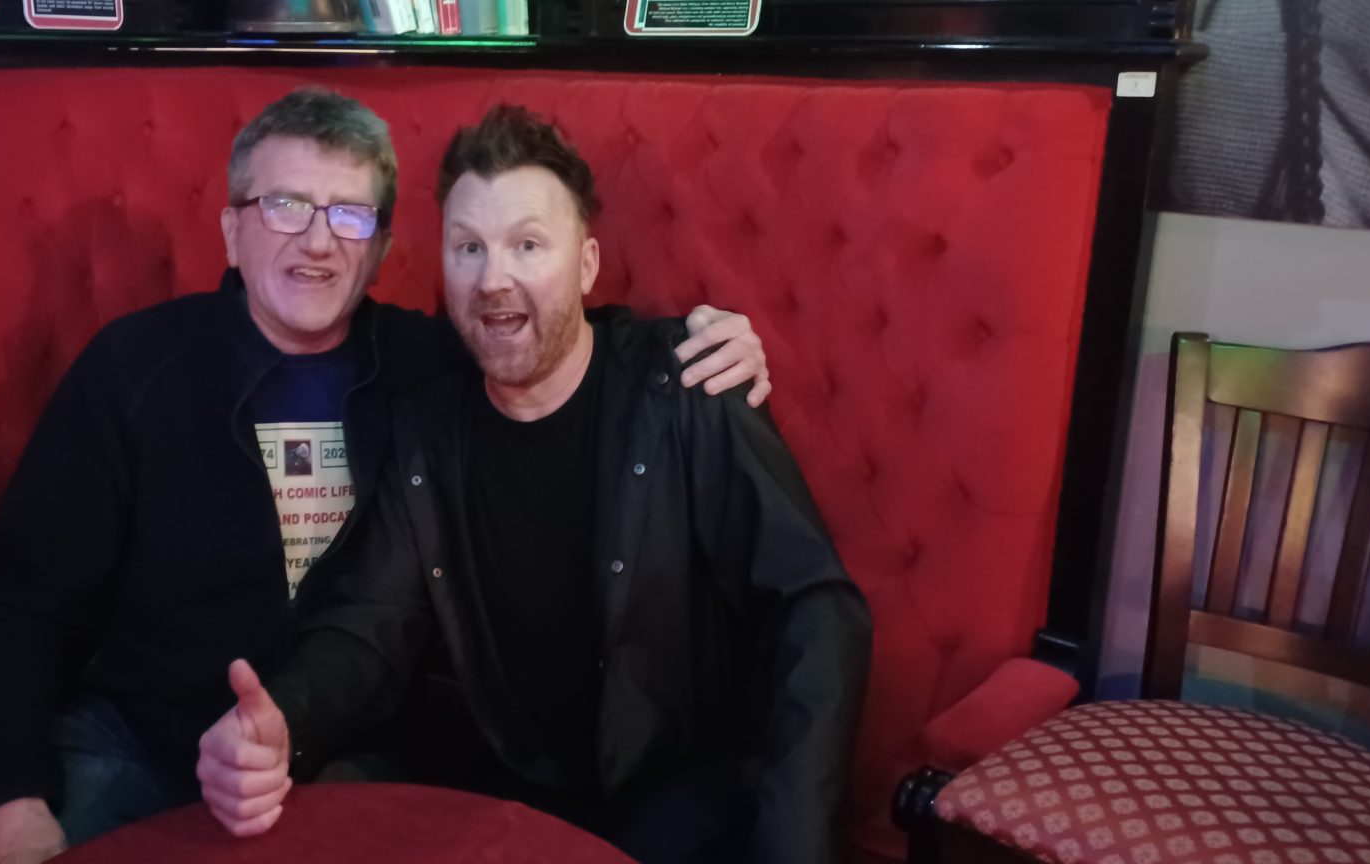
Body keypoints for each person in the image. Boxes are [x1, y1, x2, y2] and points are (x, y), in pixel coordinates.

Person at [0, 88, 775, 864]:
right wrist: (10, 797)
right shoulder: (133, 369)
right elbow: (19, 599)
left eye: (348, 214)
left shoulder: (431, 370)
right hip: (136, 746)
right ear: (232, 231)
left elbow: (549, 336)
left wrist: (690, 343)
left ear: (380, 246)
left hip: (344, 753)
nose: (318, 242)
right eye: (285, 206)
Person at [196, 104, 872, 864]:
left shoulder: (688, 384)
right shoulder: (427, 429)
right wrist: (285, 721)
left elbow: (818, 612)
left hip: (687, 808)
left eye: (527, 244)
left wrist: (794, 844)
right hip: (510, 805)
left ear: (585, 265)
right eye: (469, 247)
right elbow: (370, 623)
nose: (494, 279)